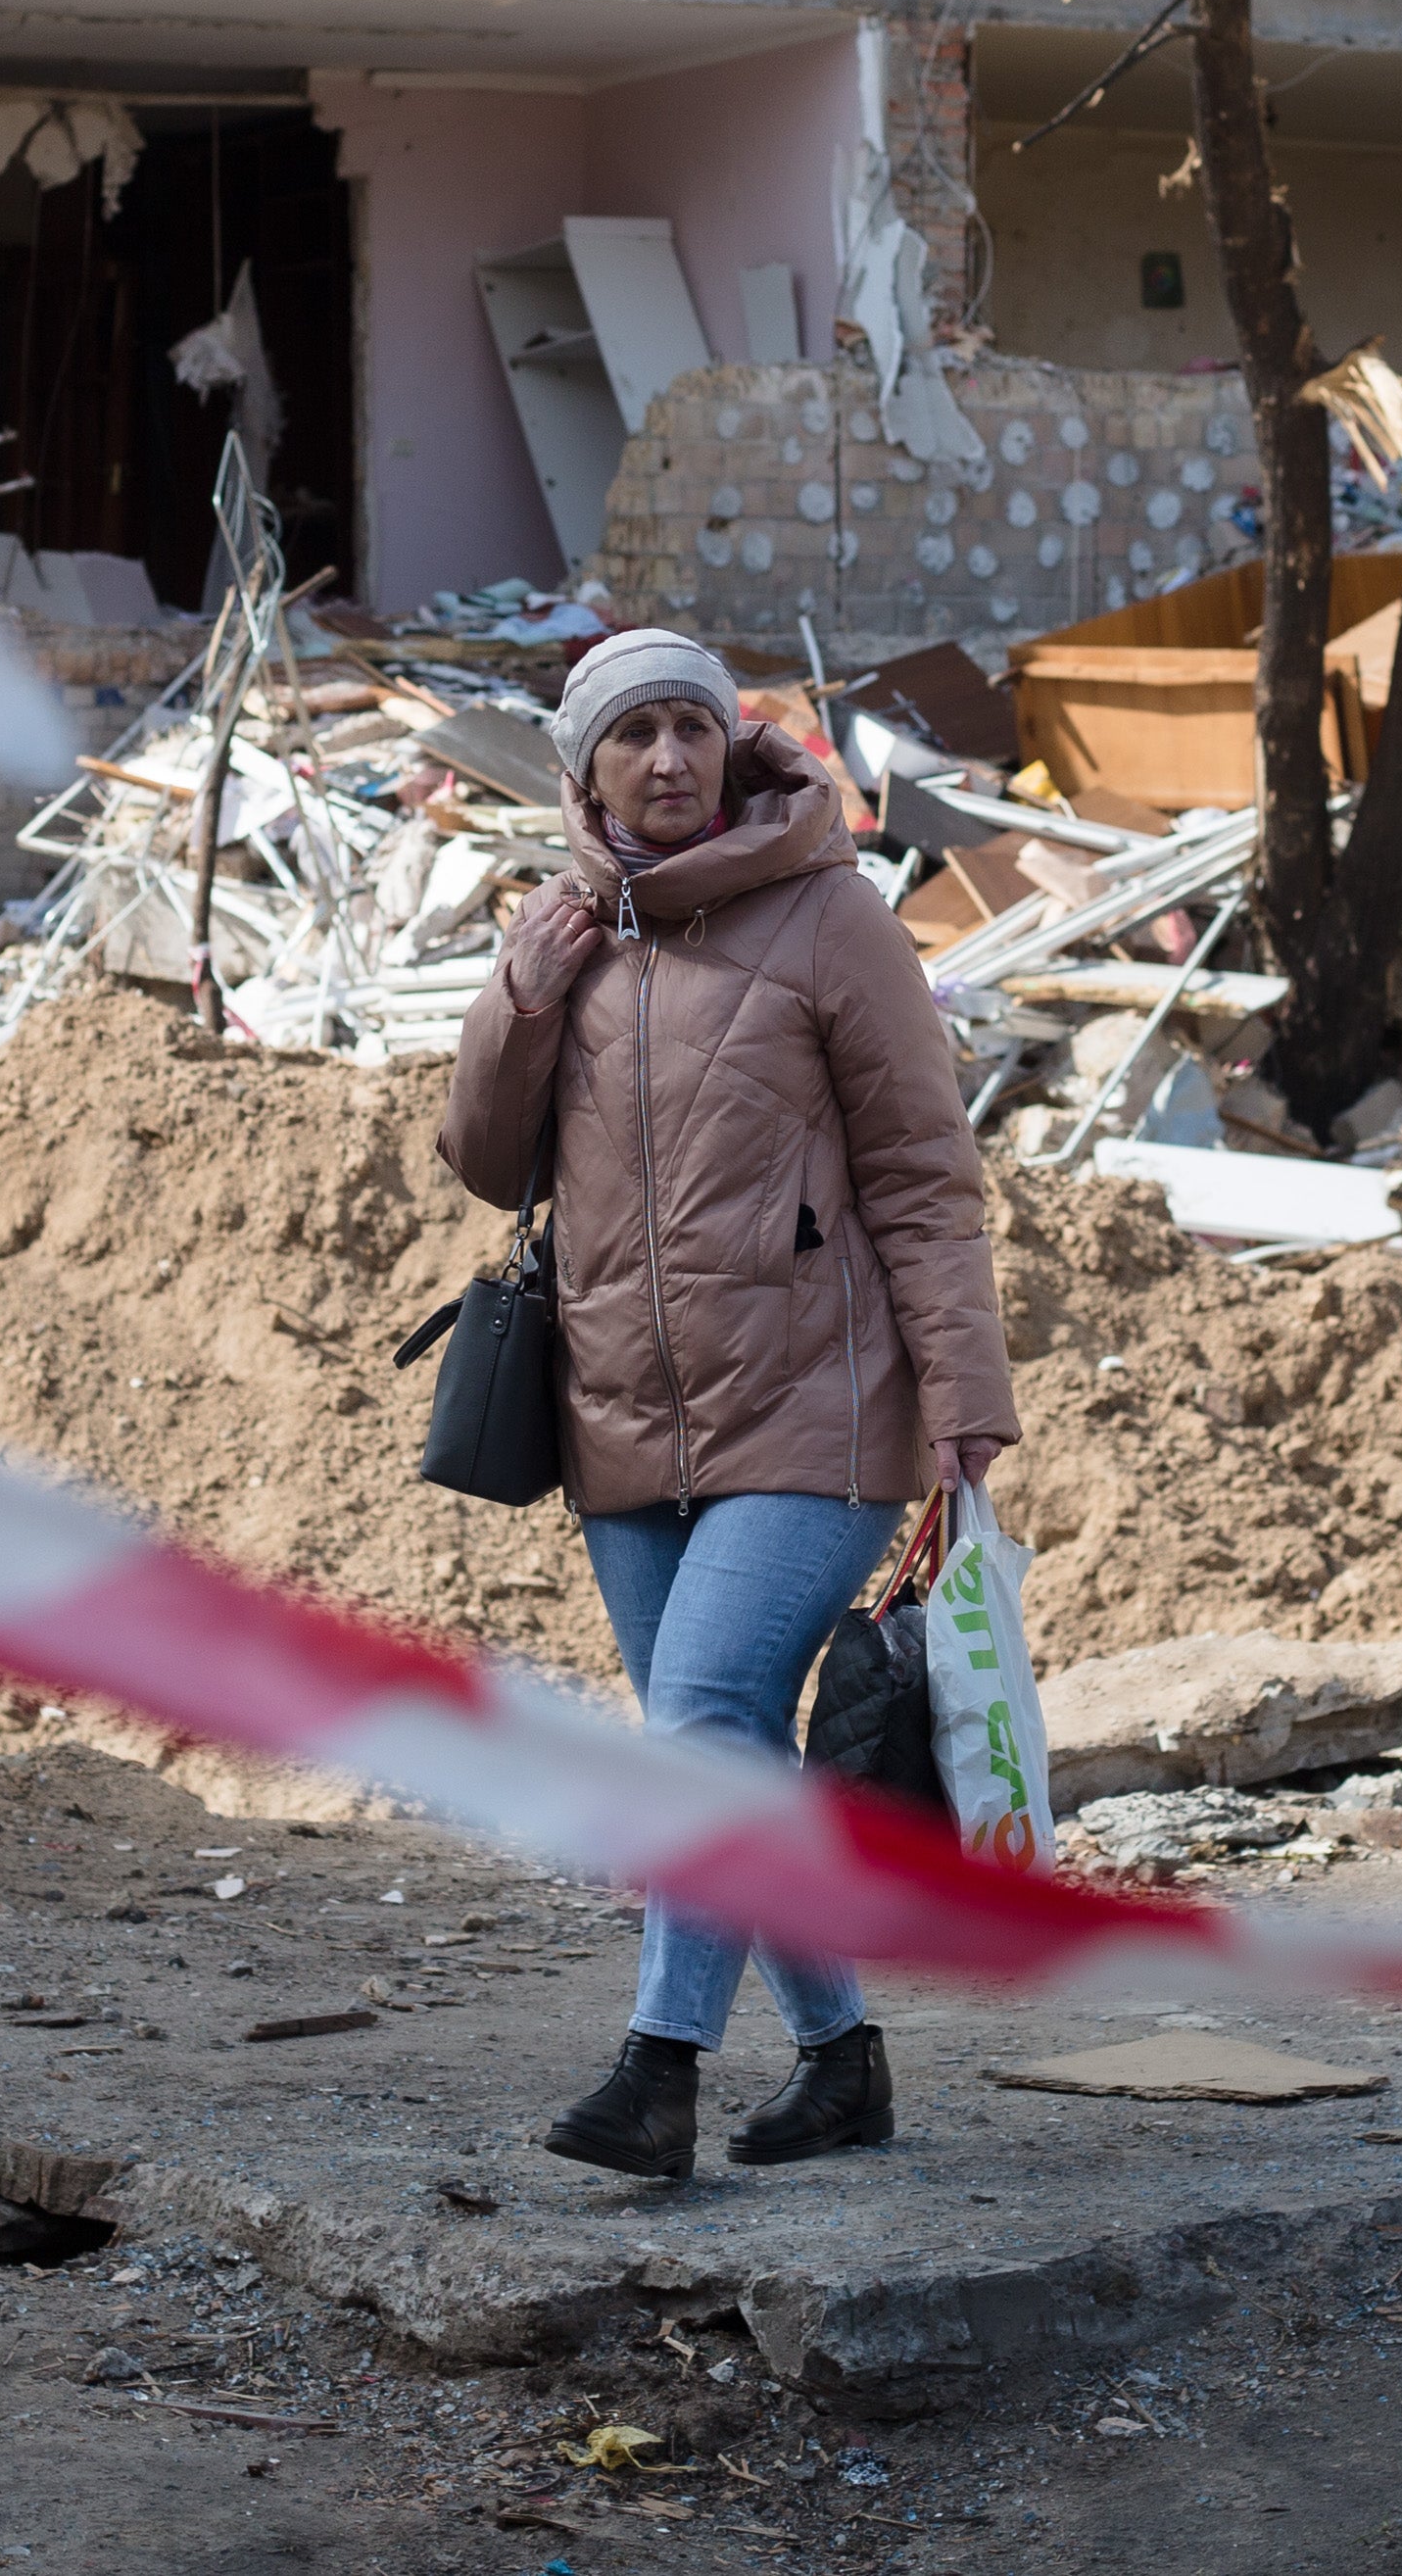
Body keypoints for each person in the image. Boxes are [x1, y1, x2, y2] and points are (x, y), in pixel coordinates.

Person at [443, 625, 1014, 2179]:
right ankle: (843, 2061)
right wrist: (520, 994)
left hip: (818, 1417)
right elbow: (488, 1164)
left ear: (738, 742)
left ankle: (659, 2069)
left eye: (696, 727)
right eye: (636, 737)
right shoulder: (564, 928)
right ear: (585, 768)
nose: (672, 760)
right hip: (619, 1421)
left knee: (697, 1724)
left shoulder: (832, 918)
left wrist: (965, 1395)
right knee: (726, 1751)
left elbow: (924, 1175)